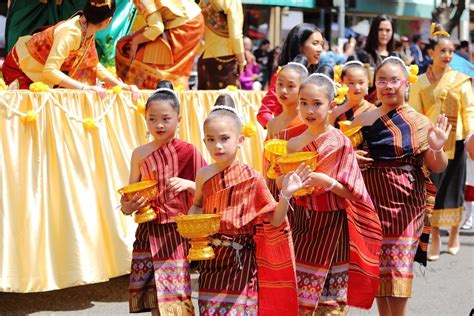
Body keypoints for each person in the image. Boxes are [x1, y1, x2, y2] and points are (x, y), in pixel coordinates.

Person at [189, 95, 309, 315]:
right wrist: (193, 226)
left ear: (241, 139)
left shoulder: (252, 178)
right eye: (211, 139)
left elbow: (275, 219)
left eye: (225, 138)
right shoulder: (203, 175)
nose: (218, 145)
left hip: (242, 262)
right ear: (204, 141)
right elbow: (197, 204)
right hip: (211, 260)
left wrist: (285, 195)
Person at [353, 56, 451, 316]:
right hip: (372, 205)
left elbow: (437, 165)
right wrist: (352, 158)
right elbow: (343, 157)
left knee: (397, 272)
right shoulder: (364, 119)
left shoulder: (418, 122)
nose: (388, 86)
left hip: (407, 208)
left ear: (406, 83)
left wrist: (437, 147)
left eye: (394, 80)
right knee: (378, 274)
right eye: (381, 80)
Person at [286, 73, 382, 314]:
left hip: (334, 226)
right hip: (301, 224)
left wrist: (328, 182)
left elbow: (355, 194)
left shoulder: (339, 141)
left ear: (331, 105)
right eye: (304, 102)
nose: (309, 109)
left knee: (330, 306)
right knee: (299, 300)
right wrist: (285, 183)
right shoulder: (293, 144)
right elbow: (280, 184)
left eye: (317, 103)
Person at [120, 88, 207, 314]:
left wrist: (188, 184)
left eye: (166, 119)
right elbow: (128, 196)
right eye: (152, 119)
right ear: (145, 120)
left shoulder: (189, 151)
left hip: (176, 233)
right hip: (147, 231)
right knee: (155, 294)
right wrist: (129, 206)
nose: (159, 125)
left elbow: (211, 188)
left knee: (175, 294)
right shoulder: (139, 154)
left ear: (179, 120)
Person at [409, 24, 474, 260]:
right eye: (443, 51)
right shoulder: (419, 82)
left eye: (451, 51)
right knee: (433, 190)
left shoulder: (461, 81)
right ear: (431, 54)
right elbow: (414, 112)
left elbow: (469, 109)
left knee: (455, 189)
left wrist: (470, 135)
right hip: (431, 144)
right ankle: (435, 235)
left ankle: (454, 232)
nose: (447, 56)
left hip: (455, 141)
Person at [2, 0, 135, 95]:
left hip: (38, 73)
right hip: (21, 69)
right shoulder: (71, 33)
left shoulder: (86, 27)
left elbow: (93, 65)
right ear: (108, 21)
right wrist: (84, 88)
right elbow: (50, 71)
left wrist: (122, 86)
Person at [115, 0, 204, 89]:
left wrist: (135, 41)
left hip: (185, 26)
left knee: (137, 56)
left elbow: (157, 28)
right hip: (190, 20)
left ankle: (155, 96)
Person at [257, 23, 323, 128]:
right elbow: (264, 112)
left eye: (321, 44)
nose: (320, 49)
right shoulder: (283, 74)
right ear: (300, 46)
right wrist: (277, 129)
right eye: (315, 43)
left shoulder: (318, 77)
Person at [347, 15, 398, 103]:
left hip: (391, 106)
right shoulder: (362, 56)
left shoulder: (395, 57)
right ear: (374, 31)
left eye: (388, 30)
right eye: (380, 29)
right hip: (367, 108)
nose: (384, 33)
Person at [197, 0, 245, 90]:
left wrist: (202, 50)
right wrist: (242, 61)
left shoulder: (203, 2)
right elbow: (235, 35)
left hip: (204, 58)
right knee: (227, 101)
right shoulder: (232, 2)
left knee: (205, 101)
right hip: (226, 60)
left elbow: (197, 32)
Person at [330, 61, 375, 128]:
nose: (357, 87)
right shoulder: (335, 113)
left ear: (367, 83)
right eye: (351, 83)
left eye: (361, 82)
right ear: (342, 83)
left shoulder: (374, 111)